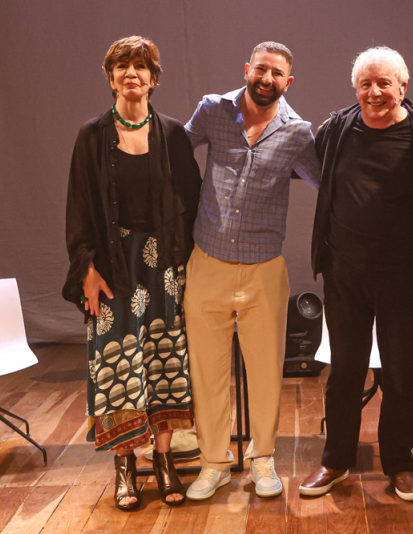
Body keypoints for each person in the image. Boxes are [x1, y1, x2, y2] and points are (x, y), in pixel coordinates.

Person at [299, 46, 413, 501]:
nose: (374, 92)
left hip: (405, 276)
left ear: (403, 87)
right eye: (365, 84)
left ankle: (400, 465)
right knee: (345, 372)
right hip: (345, 276)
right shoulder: (336, 131)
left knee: (403, 375)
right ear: (355, 90)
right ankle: (335, 462)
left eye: (384, 83)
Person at [63, 36, 201, 511]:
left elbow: (192, 203)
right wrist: (86, 268)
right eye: (122, 66)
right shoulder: (91, 136)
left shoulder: (174, 133)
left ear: (153, 77)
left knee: (163, 361)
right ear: (110, 76)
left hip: (164, 265)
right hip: (113, 265)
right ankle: (124, 465)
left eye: (140, 66)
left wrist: (188, 267)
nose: (131, 74)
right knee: (118, 363)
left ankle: (163, 462)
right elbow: (78, 207)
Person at [183, 41, 320, 500]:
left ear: (288, 81)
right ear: (247, 69)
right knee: (208, 371)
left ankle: (264, 461)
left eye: (277, 73)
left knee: (265, 371)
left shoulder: (298, 133)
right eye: (261, 68)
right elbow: (173, 155)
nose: (267, 78)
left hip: (263, 269)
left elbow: (330, 182)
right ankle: (214, 463)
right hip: (208, 264)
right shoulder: (212, 111)